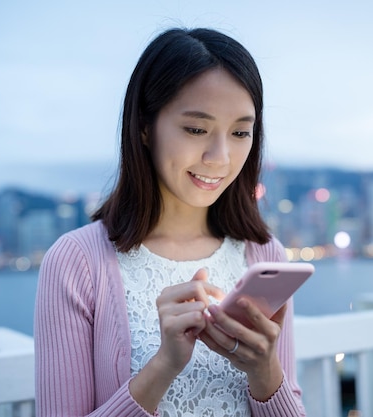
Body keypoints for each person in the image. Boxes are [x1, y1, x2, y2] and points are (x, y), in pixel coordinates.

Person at [34, 27, 307, 417]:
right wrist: (163, 366)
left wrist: (265, 371)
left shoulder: (263, 253)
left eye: (240, 132)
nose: (220, 157)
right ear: (145, 127)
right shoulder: (78, 262)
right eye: (196, 129)